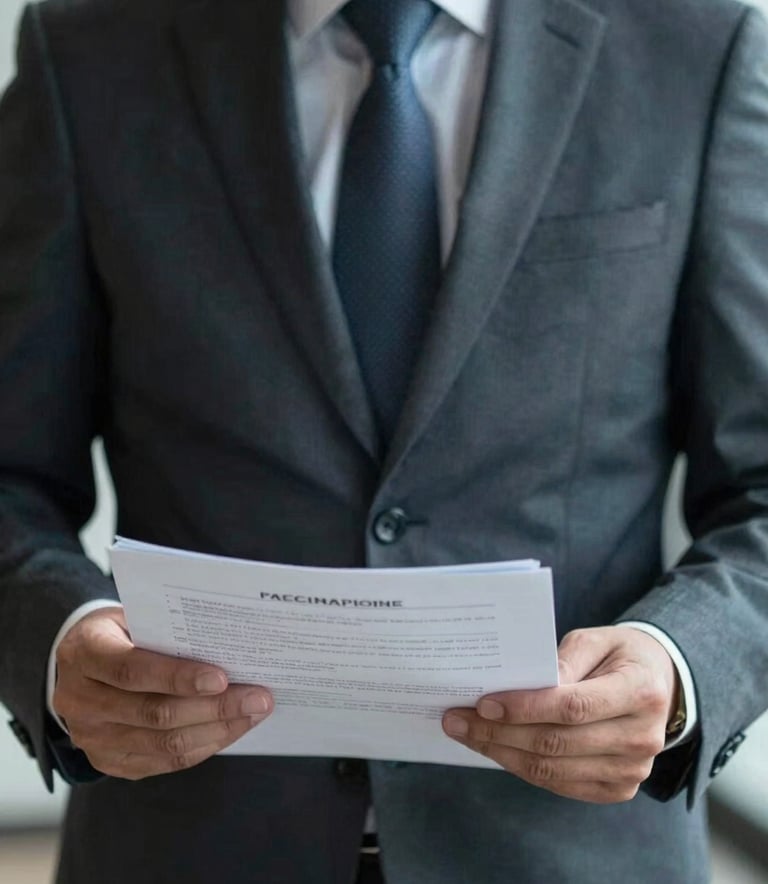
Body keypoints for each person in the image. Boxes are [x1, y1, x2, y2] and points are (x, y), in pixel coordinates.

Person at [1, 0, 767, 881]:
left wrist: (680, 666)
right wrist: (61, 640)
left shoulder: (692, 51)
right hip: (189, 839)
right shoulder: (92, 51)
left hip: (570, 847)